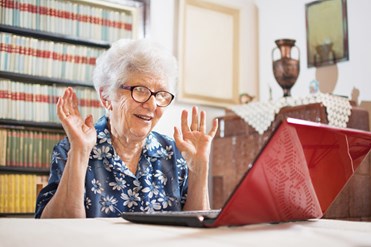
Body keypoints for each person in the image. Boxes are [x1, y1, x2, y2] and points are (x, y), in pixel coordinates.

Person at [35, 38, 218, 218]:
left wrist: (199, 169)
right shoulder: (71, 148)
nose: (152, 105)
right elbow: (61, 232)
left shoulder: (175, 153)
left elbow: (196, 228)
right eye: (140, 90)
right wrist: (80, 152)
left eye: (160, 94)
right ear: (106, 96)